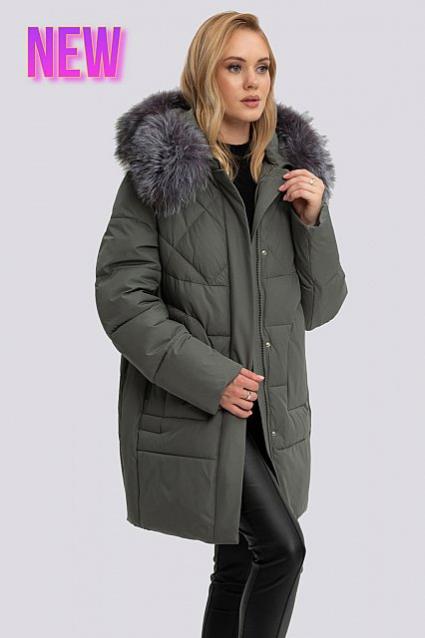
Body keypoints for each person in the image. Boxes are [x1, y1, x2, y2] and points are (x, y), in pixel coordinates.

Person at [95, 10, 348, 638]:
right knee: (282, 551)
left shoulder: (288, 174)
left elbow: (320, 308)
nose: (252, 82)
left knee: (239, 562)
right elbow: (122, 298)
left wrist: (313, 222)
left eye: (262, 67)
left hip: (270, 409)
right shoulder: (161, 176)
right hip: (202, 406)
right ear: (206, 75)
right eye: (235, 67)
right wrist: (213, 378)